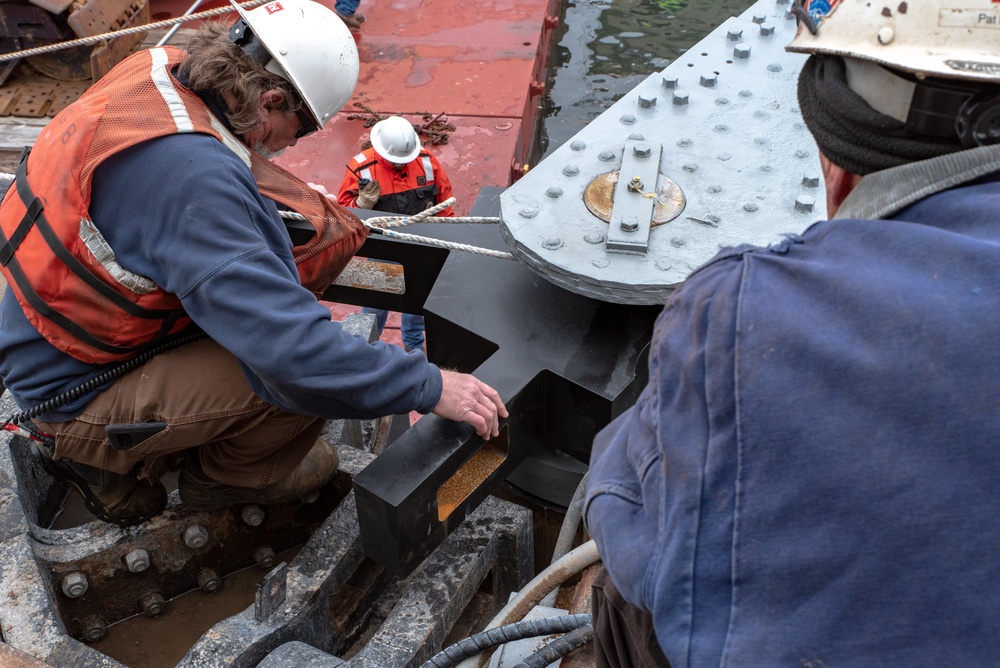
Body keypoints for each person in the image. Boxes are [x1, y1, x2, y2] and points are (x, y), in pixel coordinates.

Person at [584, 1, 1000, 666]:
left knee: (624, 589)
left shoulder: (746, 311)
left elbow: (646, 546)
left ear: (838, 173)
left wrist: (612, 472)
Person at [0, 0, 506, 528]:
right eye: (301, 129)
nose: (291, 145)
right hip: (70, 391)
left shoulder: (159, 70)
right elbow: (296, 356)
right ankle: (209, 480)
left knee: (281, 341)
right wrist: (432, 385)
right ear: (269, 102)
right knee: (298, 388)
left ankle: (160, 439)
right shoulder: (195, 182)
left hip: (42, 334)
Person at [337, 115, 455, 353]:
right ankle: (368, 350)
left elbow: (444, 205)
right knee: (375, 304)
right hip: (381, 248)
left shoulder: (427, 163)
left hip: (419, 245)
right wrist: (362, 203)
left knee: (416, 303)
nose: (401, 165)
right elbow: (344, 211)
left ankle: (414, 349)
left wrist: (447, 240)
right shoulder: (361, 167)